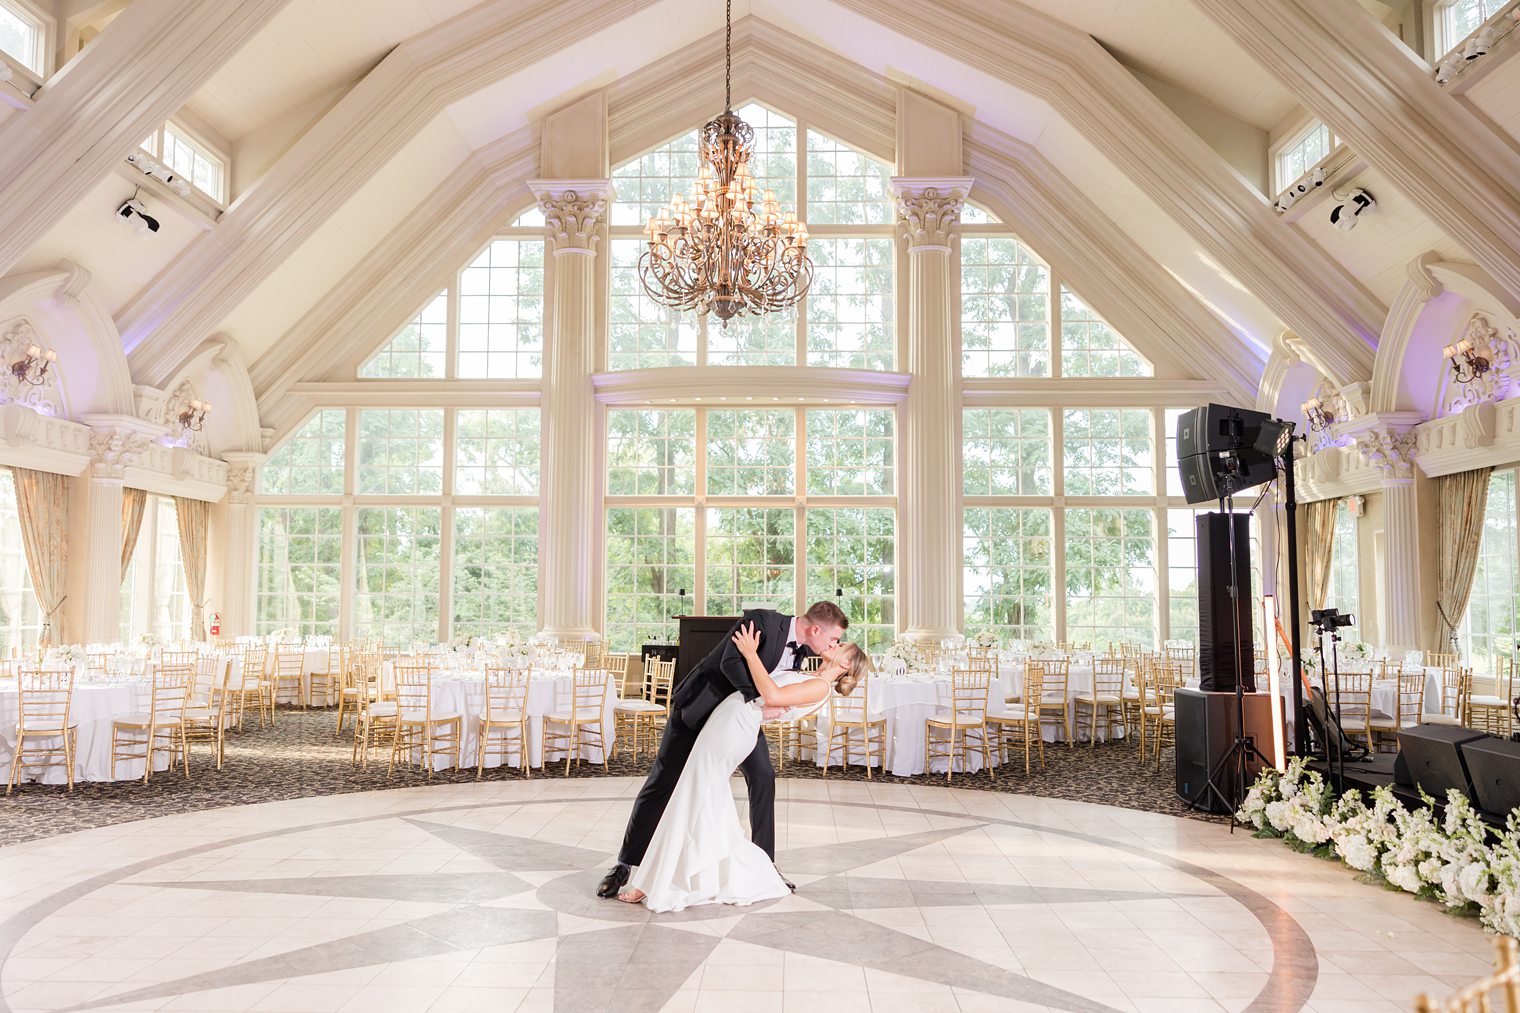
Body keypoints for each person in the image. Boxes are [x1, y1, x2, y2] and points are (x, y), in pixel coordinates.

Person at [595, 602, 849, 900]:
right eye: (833, 638)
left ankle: (764, 866)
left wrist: (765, 705)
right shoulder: (762, 622)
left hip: (738, 720)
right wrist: (761, 701)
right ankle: (625, 864)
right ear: (815, 629)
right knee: (663, 781)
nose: (834, 644)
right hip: (701, 707)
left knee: (763, 776)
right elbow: (730, 663)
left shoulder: (805, 650)